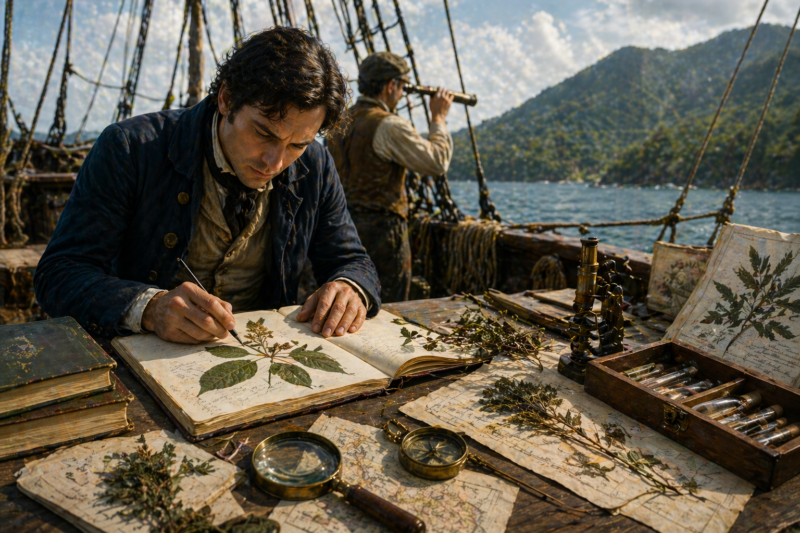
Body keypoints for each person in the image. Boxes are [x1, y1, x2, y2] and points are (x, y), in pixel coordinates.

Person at [34, 27, 380, 344]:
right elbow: (60, 273)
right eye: (263, 133)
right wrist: (149, 308)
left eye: (296, 144)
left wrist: (350, 287)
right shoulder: (130, 148)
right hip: (142, 358)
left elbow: (351, 259)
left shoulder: (315, 165)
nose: (274, 163)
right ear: (226, 99)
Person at [327, 52, 455, 303]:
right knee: (388, 307)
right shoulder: (389, 125)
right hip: (383, 237)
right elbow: (437, 162)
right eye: (402, 87)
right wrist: (438, 118)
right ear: (391, 86)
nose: (401, 93)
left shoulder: (338, 122)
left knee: (344, 303)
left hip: (339, 230)